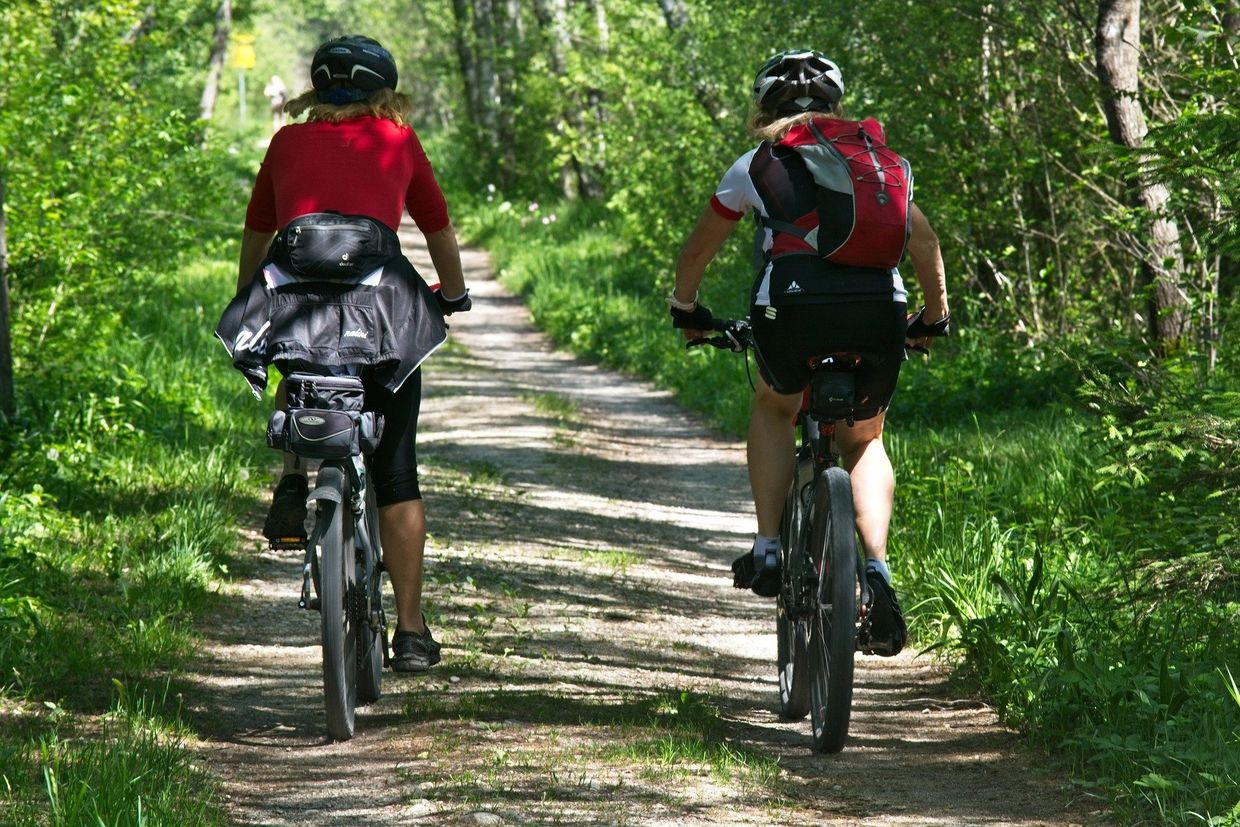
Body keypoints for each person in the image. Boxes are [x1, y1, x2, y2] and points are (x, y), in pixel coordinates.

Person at [668, 50, 950, 656]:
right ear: (835, 105)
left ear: (763, 108)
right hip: (878, 310)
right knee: (865, 440)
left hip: (791, 312)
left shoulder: (755, 165)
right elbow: (923, 241)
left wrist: (686, 311)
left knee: (775, 405)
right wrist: (933, 319)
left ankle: (769, 547)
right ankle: (877, 570)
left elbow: (695, 255)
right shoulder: (878, 162)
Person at [236, 35, 472, 673]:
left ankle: (292, 476)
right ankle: (412, 632)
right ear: (383, 92)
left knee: (296, 356)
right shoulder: (397, 140)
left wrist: (248, 299)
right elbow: (437, 226)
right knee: (397, 471)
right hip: (380, 312)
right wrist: (451, 296)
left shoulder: (286, 142)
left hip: (296, 304)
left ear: (316, 90)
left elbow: (260, 233)